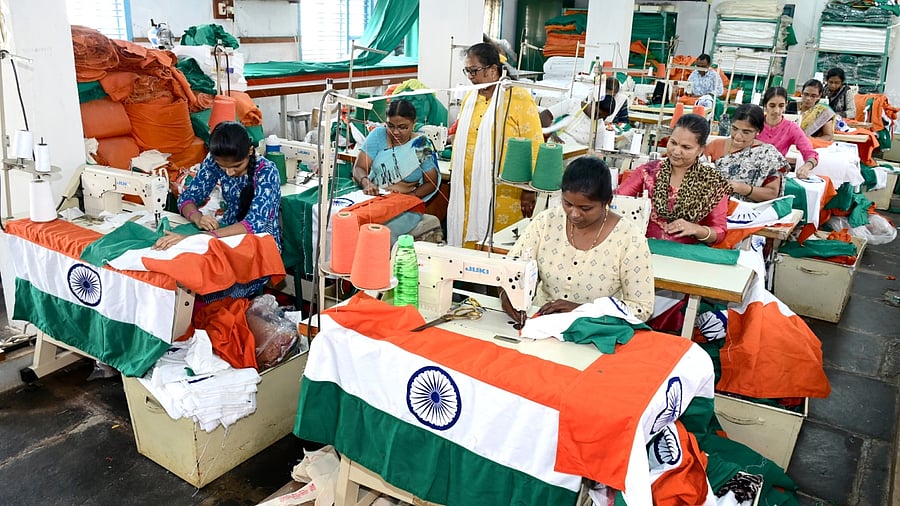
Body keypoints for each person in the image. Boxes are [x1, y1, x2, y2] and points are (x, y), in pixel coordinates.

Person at [501, 156, 654, 322]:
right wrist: (505, 296)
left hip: (593, 334)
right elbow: (509, 270)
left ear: (607, 201)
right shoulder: (546, 222)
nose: (574, 214)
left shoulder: (630, 240)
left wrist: (585, 310)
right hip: (539, 321)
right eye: (567, 204)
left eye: (585, 208)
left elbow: (641, 308)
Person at [447, 42, 543, 248]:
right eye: (467, 71)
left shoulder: (518, 98)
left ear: (493, 70)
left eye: (474, 71)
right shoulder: (470, 98)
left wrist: (529, 190)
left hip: (505, 190)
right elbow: (462, 141)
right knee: (468, 240)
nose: (471, 77)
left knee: (497, 244)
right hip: (468, 189)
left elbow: (534, 144)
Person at [154, 121, 282, 251]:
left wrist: (197, 239)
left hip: (261, 245)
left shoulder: (267, 172)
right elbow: (186, 198)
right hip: (225, 235)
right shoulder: (214, 160)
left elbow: (253, 225)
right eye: (222, 167)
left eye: (237, 166)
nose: (229, 173)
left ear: (250, 151)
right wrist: (198, 218)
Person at [616, 114, 731, 245]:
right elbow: (617, 202)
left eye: (686, 147)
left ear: (701, 150)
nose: (676, 151)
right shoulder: (647, 173)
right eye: (673, 143)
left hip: (684, 255)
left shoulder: (712, 183)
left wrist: (696, 229)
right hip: (643, 248)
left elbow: (720, 232)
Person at [352, 98, 440, 201]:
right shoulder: (378, 135)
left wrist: (410, 197)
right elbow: (359, 168)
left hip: (405, 202)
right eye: (390, 126)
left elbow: (431, 183)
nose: (395, 132)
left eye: (402, 127)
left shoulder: (420, 146)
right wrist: (367, 183)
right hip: (374, 197)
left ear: (413, 124)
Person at [705, 104, 788, 202]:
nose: (738, 136)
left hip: (748, 212)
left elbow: (771, 193)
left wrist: (741, 188)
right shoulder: (715, 146)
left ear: (758, 131)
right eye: (734, 129)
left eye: (746, 132)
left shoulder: (767, 154)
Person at [756, 86, 818, 179]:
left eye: (781, 106)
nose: (777, 111)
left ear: (786, 105)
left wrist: (806, 167)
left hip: (774, 177)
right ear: (765, 105)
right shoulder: (755, 124)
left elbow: (810, 153)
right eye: (772, 105)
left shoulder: (791, 128)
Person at [539, 93, 615, 146]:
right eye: (596, 113)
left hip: (575, 157)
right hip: (554, 145)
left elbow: (597, 150)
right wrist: (551, 133)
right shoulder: (572, 104)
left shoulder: (600, 127)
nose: (598, 117)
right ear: (592, 103)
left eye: (602, 117)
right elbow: (546, 114)